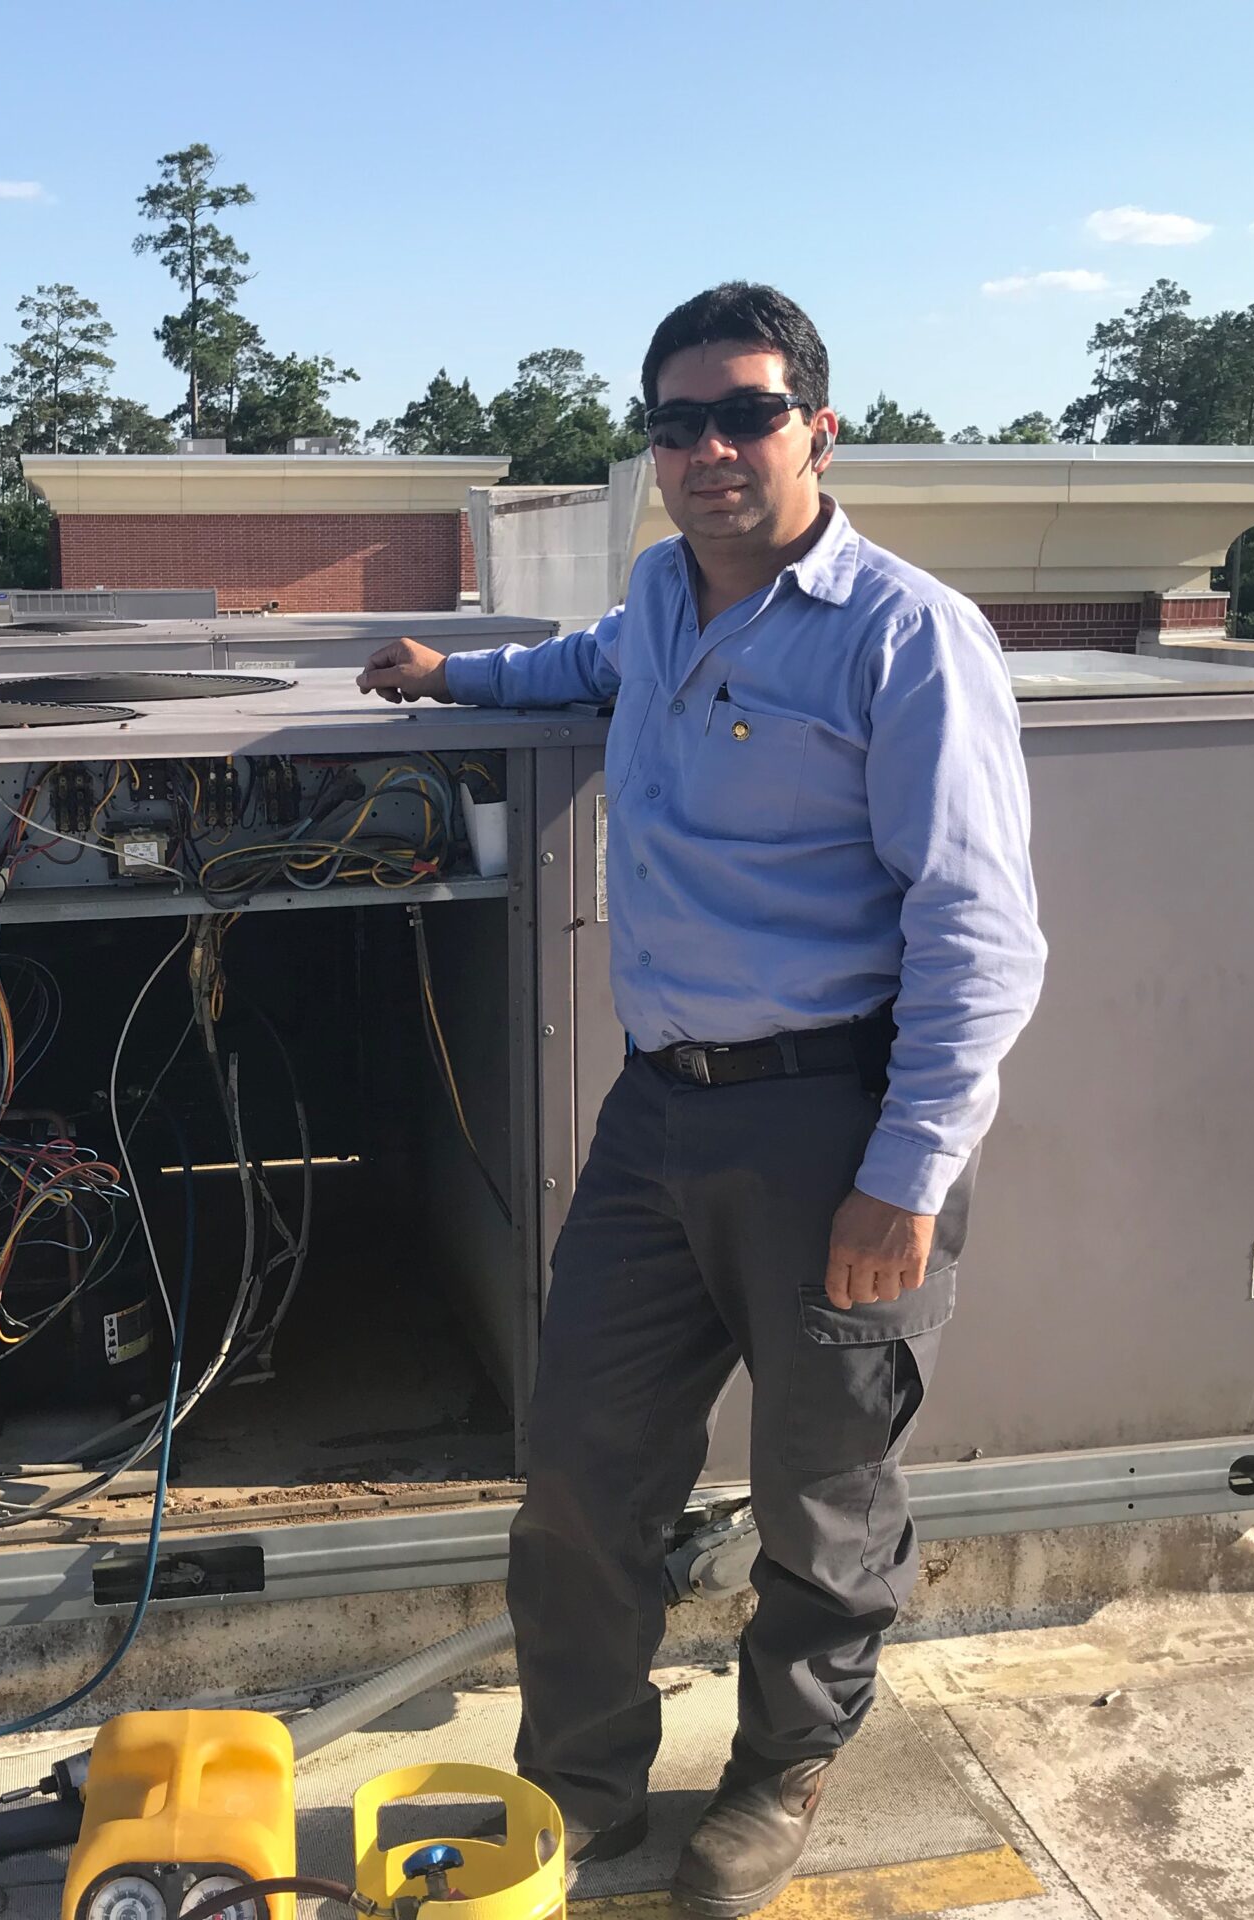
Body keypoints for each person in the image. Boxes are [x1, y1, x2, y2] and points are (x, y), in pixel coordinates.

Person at [357, 283, 1047, 1917]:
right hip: (657, 1118)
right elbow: (579, 667)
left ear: (820, 425)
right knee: (583, 1463)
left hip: (837, 1123)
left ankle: (780, 1771)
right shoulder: (662, 598)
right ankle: (582, 1785)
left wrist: (910, 1175)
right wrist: (453, 675)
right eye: (680, 422)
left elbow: (983, 932)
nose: (713, 448)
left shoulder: (906, 632)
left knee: (826, 1498)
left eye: (747, 412)